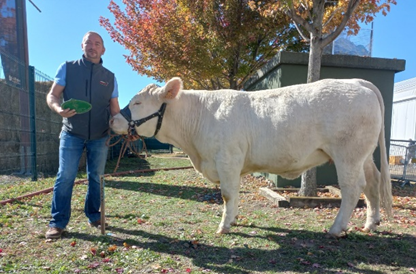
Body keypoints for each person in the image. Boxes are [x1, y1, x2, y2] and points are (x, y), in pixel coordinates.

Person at [45, 31, 120, 239]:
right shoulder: (68, 68)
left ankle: (94, 216)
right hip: (71, 133)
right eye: (88, 42)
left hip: (100, 135)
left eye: (97, 43)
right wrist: (58, 109)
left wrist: (125, 127)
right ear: (82, 46)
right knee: (65, 176)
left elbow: (115, 110)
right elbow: (53, 95)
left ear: (103, 49)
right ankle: (57, 222)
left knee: (96, 178)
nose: (92, 46)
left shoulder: (110, 77)